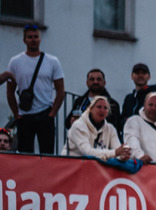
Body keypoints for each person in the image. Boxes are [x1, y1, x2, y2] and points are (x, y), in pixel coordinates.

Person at [6, 24, 64, 154]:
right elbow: (10, 91)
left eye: (36, 37)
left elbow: (60, 90)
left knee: (47, 153)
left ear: (40, 39)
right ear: (24, 40)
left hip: (45, 113)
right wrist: (16, 114)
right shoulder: (15, 62)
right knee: (25, 154)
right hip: (25, 115)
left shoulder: (52, 61)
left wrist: (52, 113)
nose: (33, 40)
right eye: (30, 37)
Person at [66, 96, 131, 160]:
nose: (102, 110)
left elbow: (117, 151)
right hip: (72, 165)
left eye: (105, 108)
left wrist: (123, 156)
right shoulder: (78, 125)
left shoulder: (110, 128)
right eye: (99, 107)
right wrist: (115, 153)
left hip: (94, 166)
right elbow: (87, 152)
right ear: (90, 109)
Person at [65, 68, 122, 135]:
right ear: (87, 83)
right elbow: (67, 123)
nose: (95, 82)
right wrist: (72, 122)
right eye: (92, 79)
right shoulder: (79, 102)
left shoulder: (112, 104)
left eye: (99, 79)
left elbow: (115, 127)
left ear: (104, 83)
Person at [120, 63, 156, 128]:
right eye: (137, 73)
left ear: (149, 76)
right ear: (132, 76)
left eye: (143, 73)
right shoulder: (129, 98)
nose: (140, 75)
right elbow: (122, 119)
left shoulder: (153, 96)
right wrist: (126, 121)